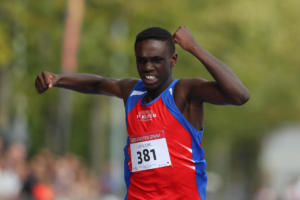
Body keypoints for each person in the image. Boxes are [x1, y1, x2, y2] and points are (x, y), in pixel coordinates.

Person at [35, 26, 250, 200]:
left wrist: (194, 47)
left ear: (173, 60)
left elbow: (239, 95)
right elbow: (97, 84)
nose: (148, 67)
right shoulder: (132, 92)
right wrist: (58, 79)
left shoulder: (184, 93)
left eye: (156, 60)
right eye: (142, 60)